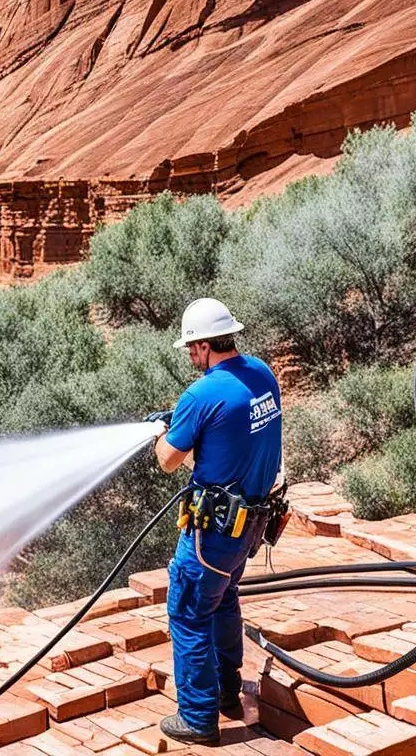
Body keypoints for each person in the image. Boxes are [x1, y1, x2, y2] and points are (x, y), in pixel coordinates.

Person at [149, 297, 283, 744]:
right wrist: (186, 423)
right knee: (222, 600)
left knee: (187, 611)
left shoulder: (201, 393)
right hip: (253, 525)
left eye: (191, 348)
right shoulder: (261, 373)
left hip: (215, 532)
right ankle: (227, 689)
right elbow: (231, 430)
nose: (190, 356)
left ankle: (198, 718)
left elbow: (169, 459)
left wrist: (160, 433)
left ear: (206, 345)